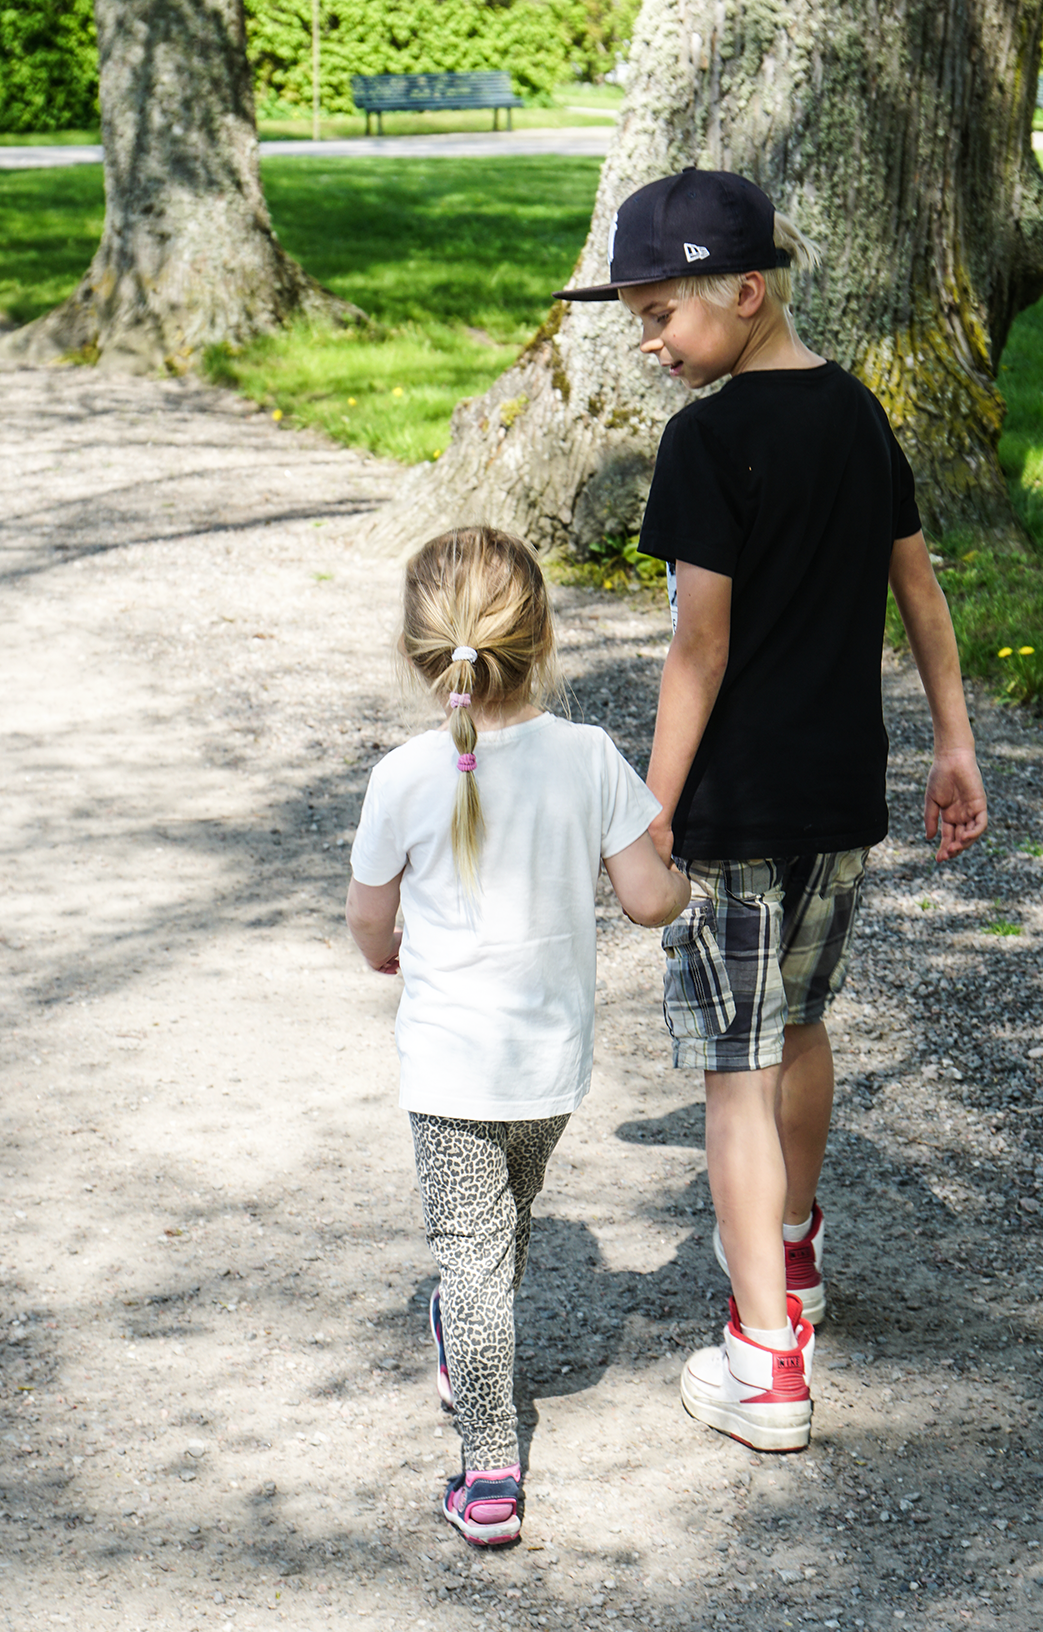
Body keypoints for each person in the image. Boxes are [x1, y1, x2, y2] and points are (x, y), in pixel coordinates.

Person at [555, 169, 988, 1452]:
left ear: (744, 293)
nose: (648, 341)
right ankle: (793, 1252)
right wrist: (954, 743)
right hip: (839, 797)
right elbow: (920, 590)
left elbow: (699, 649)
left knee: (735, 1074)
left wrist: (650, 813)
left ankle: (765, 1362)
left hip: (737, 811)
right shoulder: (858, 410)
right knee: (798, 1027)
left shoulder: (707, 442)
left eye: (661, 315)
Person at [345, 526, 690, 1543]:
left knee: (473, 1256)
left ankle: (490, 1470)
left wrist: (384, 954)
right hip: (549, 1068)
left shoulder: (404, 775)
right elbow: (647, 899)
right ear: (543, 640)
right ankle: (477, 1356)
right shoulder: (588, 757)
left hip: (451, 1069)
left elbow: (369, 919)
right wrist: (688, 886)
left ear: (419, 653)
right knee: (500, 1233)